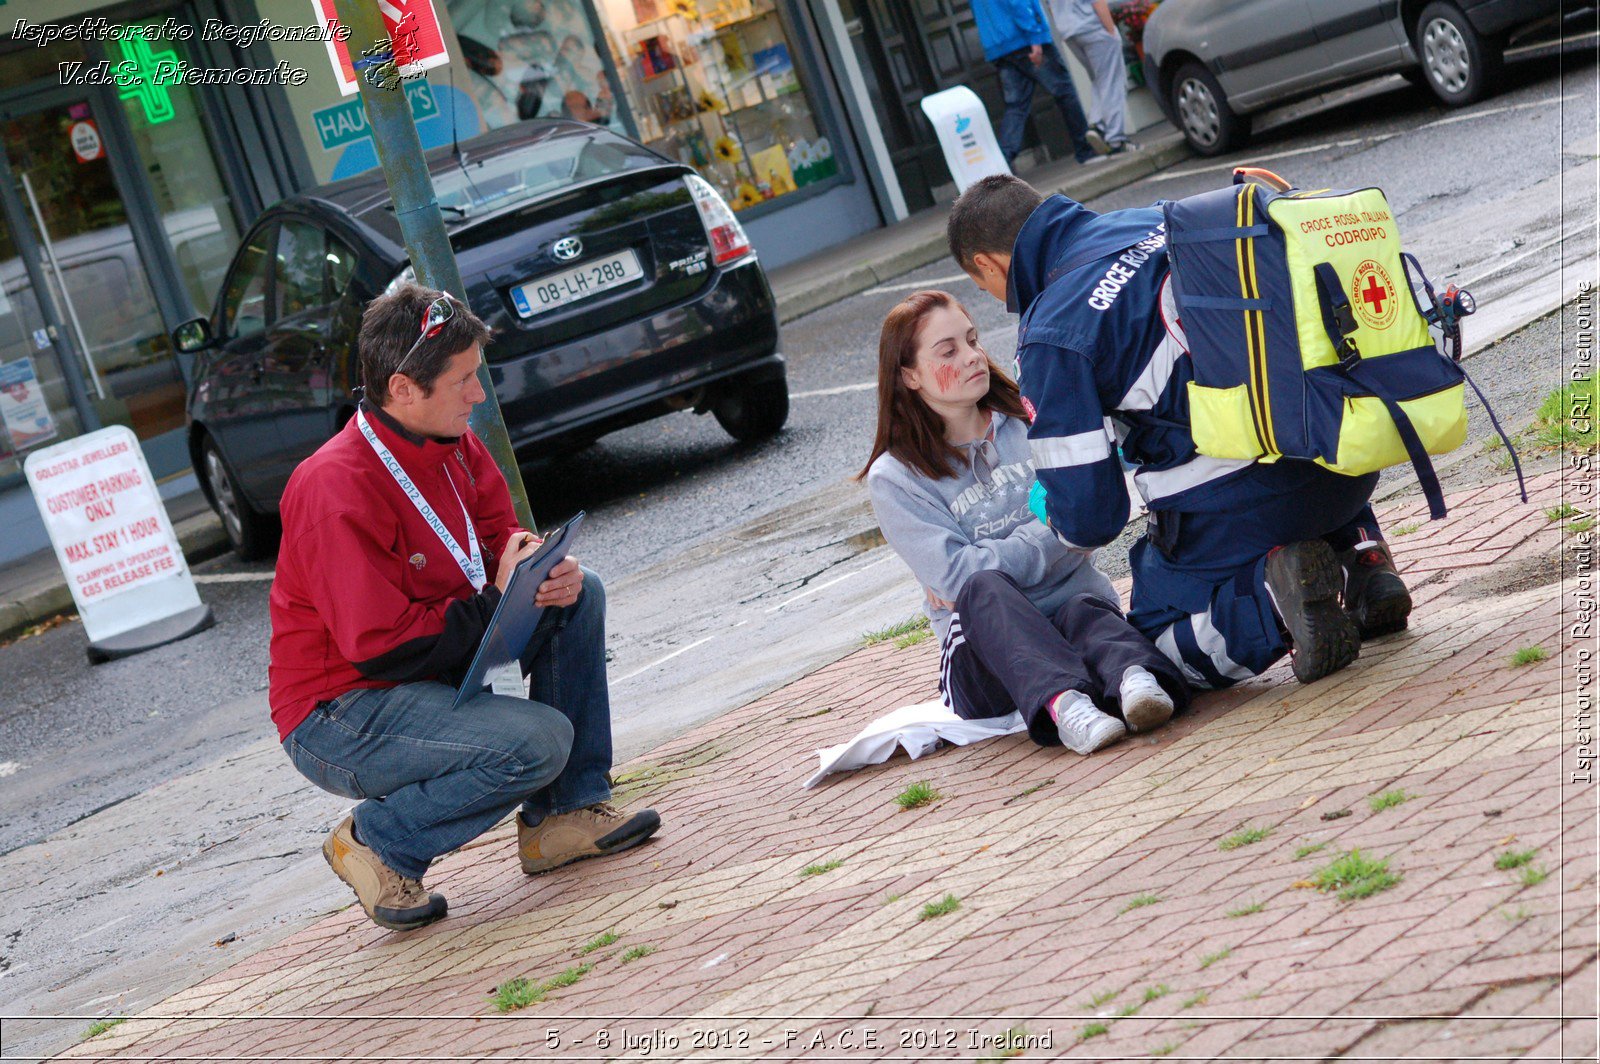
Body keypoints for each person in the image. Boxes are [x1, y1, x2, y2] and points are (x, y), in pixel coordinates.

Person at [269, 285, 660, 932]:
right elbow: (381, 647)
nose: (478, 396)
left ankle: (563, 816)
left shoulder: (453, 442)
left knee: (578, 593)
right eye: (463, 381)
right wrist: (502, 595)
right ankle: (380, 842)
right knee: (537, 743)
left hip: (428, 660)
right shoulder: (333, 484)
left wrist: (540, 568)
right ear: (402, 389)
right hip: (341, 709)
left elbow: (500, 546)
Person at [945, 175, 1413, 690]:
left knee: (1159, 642)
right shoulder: (1162, 218)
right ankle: (1365, 558)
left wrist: (1052, 505)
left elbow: (1092, 520)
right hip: (1346, 457)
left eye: (982, 284)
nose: (994, 296)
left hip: (1250, 504)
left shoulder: (1051, 331)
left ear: (988, 264)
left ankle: (1277, 603)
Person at [860, 290, 1188, 754]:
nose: (973, 356)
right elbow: (960, 578)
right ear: (909, 376)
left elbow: (1095, 509)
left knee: (1081, 609)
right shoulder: (895, 477)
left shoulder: (1033, 417)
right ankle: (1067, 706)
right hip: (987, 659)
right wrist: (1059, 531)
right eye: (949, 351)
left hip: (1077, 613)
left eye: (972, 340)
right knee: (983, 590)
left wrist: (1004, 555)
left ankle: (1136, 682)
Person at [969, 0, 1109, 168]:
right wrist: (1035, 37)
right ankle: (1085, 151)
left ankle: (1001, 163)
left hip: (1000, 47)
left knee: (1016, 106)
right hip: (1025, 40)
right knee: (1065, 92)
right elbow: (1018, 3)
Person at [1052, 0, 1135, 153]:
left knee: (1100, 80)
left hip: (1069, 32)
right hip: (1093, 27)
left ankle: (1098, 125)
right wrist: (1111, 31)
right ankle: (1116, 138)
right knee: (1112, 81)